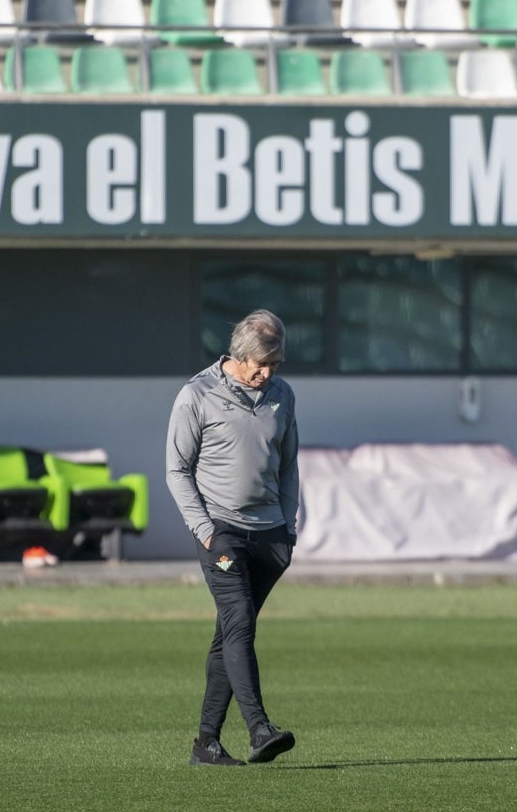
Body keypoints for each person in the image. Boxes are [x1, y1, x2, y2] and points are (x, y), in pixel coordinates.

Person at [166, 309, 300, 767]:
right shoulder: (196, 395)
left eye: (275, 364)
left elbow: (288, 464)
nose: (268, 373)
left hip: (270, 536)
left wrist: (289, 527)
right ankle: (260, 729)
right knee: (239, 620)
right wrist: (204, 532)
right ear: (239, 356)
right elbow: (177, 471)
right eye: (262, 364)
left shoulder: (282, 395)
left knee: (230, 635)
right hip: (220, 533)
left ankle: (206, 744)